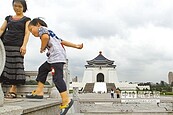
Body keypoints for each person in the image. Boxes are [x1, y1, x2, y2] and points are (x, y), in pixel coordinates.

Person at [25, 18, 83, 115]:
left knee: (57, 78)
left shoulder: (42, 29)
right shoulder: (50, 32)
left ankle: (66, 101)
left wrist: (42, 48)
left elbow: (45, 38)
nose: (32, 33)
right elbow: (62, 41)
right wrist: (76, 46)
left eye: (31, 30)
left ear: (38, 24)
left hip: (56, 58)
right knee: (42, 69)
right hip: (54, 58)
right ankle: (39, 91)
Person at [0, 0, 30, 98]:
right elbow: (2, 29)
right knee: (4, 65)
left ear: (24, 7)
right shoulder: (8, 18)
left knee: (16, 66)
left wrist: (24, 45)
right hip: (5, 45)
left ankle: (13, 90)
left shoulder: (26, 19)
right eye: (15, 6)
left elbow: (27, 33)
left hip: (18, 46)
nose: (17, 8)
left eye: (19, 6)